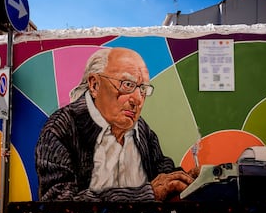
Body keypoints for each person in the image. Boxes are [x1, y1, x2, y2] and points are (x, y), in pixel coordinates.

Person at [35, 47, 198, 202]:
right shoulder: (60, 129)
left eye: (143, 89)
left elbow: (162, 175)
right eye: (127, 84)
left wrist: (189, 179)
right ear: (94, 85)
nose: (138, 99)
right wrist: (145, 195)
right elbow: (56, 202)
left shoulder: (141, 129)